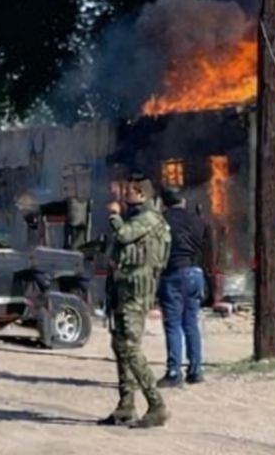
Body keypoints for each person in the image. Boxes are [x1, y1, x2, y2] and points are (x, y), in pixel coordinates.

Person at [99, 174, 172, 429]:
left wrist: (114, 216)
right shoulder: (136, 218)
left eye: (129, 190)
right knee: (119, 346)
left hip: (136, 294)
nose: (124, 194)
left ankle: (156, 405)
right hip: (123, 291)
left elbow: (124, 235)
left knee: (130, 347)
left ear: (142, 194)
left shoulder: (149, 219)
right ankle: (126, 405)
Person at [156, 188, 213, 387]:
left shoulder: (161, 221)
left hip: (172, 274)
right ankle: (195, 370)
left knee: (173, 324)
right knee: (191, 323)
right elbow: (208, 251)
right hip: (195, 274)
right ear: (183, 200)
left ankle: (174, 372)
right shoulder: (199, 221)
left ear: (164, 202)